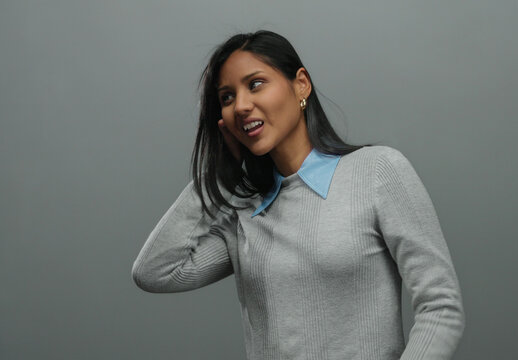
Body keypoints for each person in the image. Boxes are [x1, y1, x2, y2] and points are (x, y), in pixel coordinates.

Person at [131, 30, 465, 359]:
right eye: (227, 97)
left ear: (300, 84)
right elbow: (155, 271)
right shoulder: (245, 212)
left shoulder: (376, 172)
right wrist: (223, 172)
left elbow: (441, 306)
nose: (242, 106)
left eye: (255, 84)